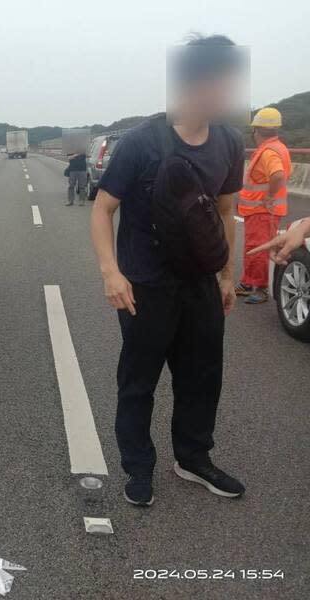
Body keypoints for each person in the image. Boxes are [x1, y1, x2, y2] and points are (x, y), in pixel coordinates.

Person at [89, 34, 246, 506]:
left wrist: (225, 275)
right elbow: (102, 210)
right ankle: (138, 468)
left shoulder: (229, 142)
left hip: (200, 283)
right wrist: (111, 273)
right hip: (145, 286)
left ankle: (193, 458)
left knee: (202, 376)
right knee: (139, 382)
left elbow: (224, 210)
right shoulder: (141, 143)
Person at [234, 107, 292, 304]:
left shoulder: (268, 152)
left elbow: (277, 175)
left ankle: (261, 288)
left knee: (259, 248)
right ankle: (249, 282)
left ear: (256, 130)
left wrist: (268, 197)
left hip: (264, 210)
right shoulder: (277, 147)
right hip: (258, 210)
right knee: (253, 247)